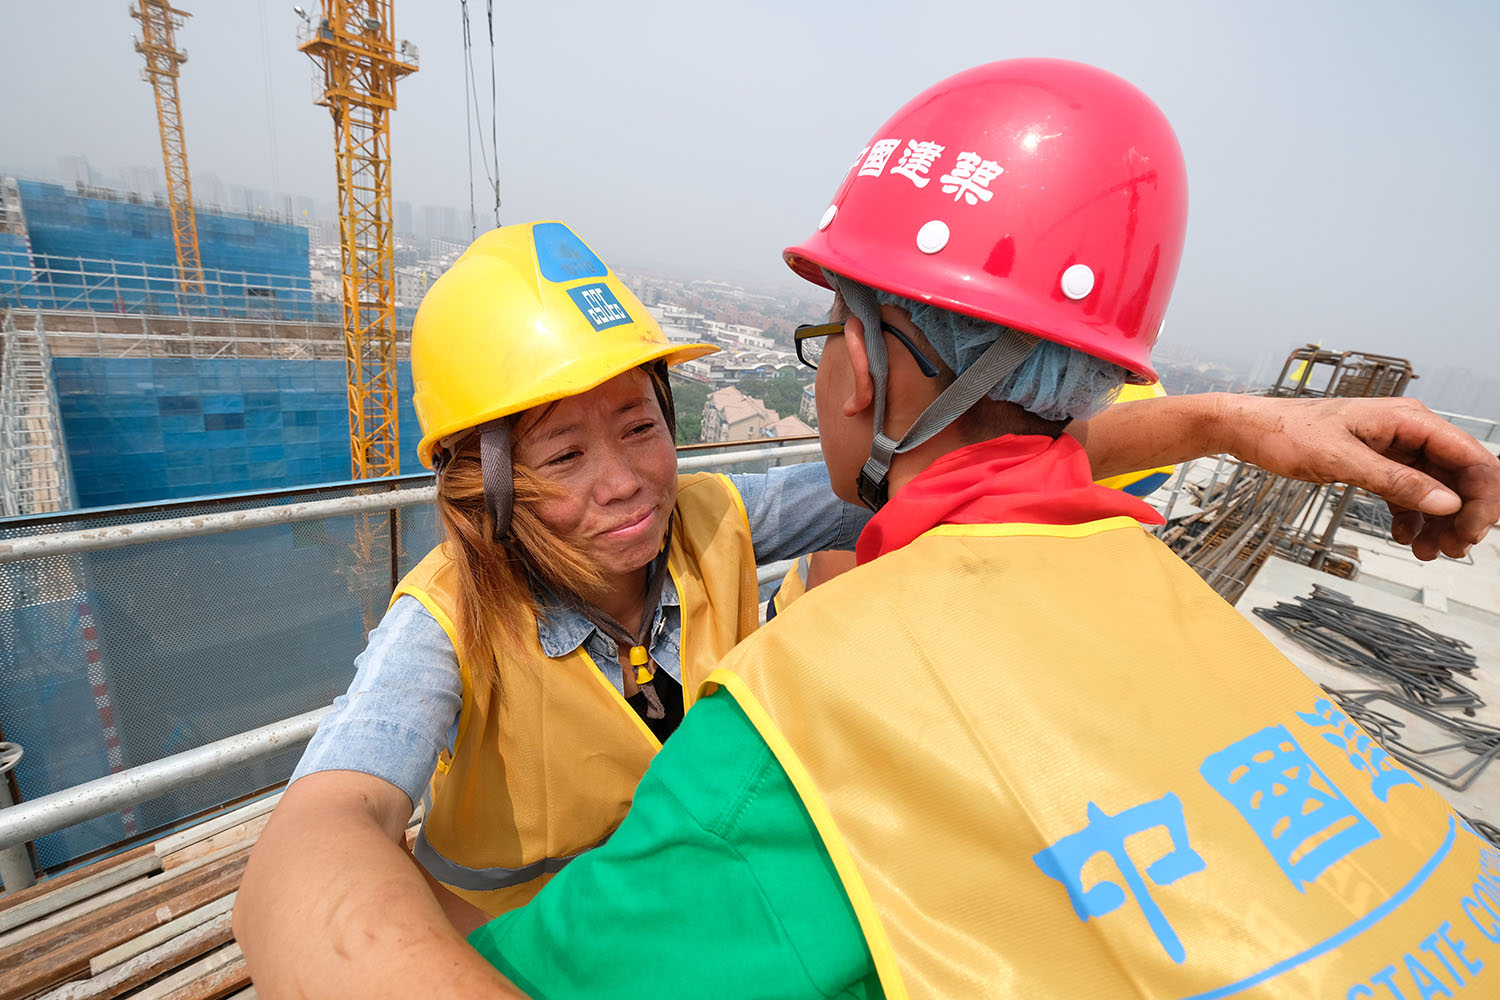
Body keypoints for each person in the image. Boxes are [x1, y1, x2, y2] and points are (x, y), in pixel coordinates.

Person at [452, 59, 1500, 999]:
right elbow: (1045, 466)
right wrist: (1236, 420)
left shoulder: (796, 742)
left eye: (826, 333)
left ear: (862, 364)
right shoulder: (1167, 600)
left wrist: (321, 836)